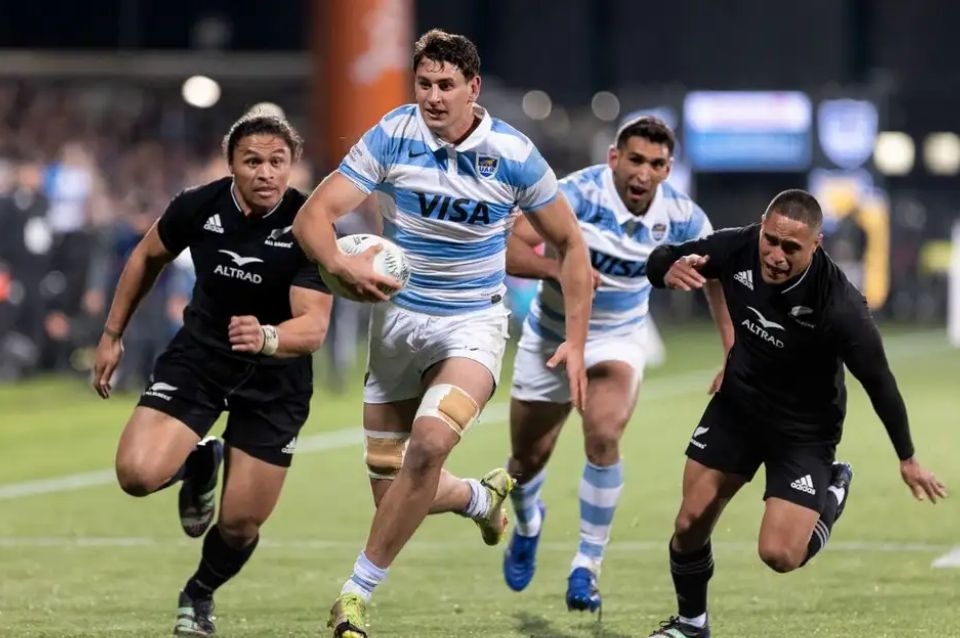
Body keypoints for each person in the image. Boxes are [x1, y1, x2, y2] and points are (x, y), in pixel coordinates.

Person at [292, 28, 594, 638]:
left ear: (472, 88)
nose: (433, 96)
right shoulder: (392, 135)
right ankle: (479, 499)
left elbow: (570, 244)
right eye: (424, 83)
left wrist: (578, 340)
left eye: (446, 85)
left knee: (429, 446)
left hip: (472, 324)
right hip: (396, 326)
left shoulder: (513, 154)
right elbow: (313, 216)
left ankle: (353, 596)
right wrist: (341, 265)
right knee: (395, 497)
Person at [641, 189, 946, 637]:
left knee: (781, 555)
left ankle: (833, 491)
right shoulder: (737, 246)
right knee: (689, 523)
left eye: (791, 248)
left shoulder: (839, 304)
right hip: (738, 408)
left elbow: (880, 382)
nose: (776, 256)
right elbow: (663, 257)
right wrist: (665, 270)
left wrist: (907, 457)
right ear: (762, 227)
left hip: (804, 431)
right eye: (771, 240)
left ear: (815, 245)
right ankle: (691, 625)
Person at [91, 112, 333, 637]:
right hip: (200, 359)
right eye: (253, 161)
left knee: (241, 523)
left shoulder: (310, 224)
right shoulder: (198, 206)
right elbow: (146, 256)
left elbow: (313, 326)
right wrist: (112, 334)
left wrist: (267, 337)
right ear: (231, 166)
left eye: (277, 161)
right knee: (136, 475)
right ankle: (200, 463)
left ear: (293, 165)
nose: (266, 173)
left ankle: (198, 593)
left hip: (277, 381)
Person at [501, 116, 733, 613]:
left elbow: (718, 274)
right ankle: (528, 523)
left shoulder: (683, 217)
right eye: (635, 160)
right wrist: (563, 270)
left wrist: (732, 352)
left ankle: (586, 565)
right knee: (524, 462)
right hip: (552, 335)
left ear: (667, 170)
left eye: (656, 164)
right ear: (614, 158)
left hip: (618, 339)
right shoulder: (576, 195)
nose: (643, 173)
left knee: (604, 435)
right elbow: (510, 245)